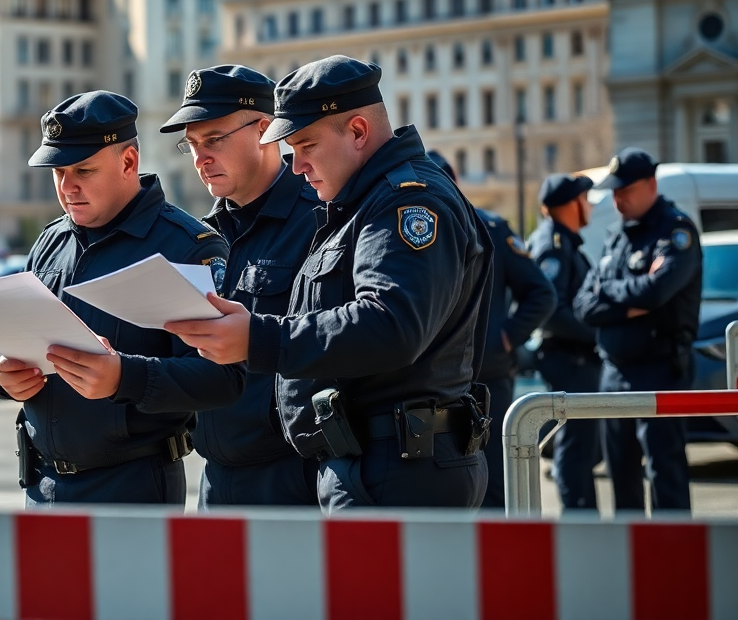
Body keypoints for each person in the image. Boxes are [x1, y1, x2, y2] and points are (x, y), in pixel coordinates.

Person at [167, 55, 494, 511]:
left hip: (399, 466)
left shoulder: (404, 203)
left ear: (358, 132)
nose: (296, 165)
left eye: (306, 146)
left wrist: (257, 337)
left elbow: (391, 323)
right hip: (370, 461)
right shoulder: (356, 206)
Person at [0, 90, 243, 506]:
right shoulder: (51, 240)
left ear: (128, 162)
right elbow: (5, 335)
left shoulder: (185, 247)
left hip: (132, 486)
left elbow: (222, 380)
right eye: (58, 172)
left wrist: (124, 376)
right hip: (41, 485)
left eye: (83, 171)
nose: (67, 187)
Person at [159, 64, 324, 507]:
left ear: (266, 130)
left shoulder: (319, 219)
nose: (200, 158)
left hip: (297, 476)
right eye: (192, 145)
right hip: (216, 475)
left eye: (214, 140)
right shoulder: (202, 237)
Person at [574, 148, 701, 512]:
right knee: (621, 473)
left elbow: (658, 291)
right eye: (614, 191)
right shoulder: (618, 238)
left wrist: (610, 293)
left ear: (650, 185)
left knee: (665, 472)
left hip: (660, 367)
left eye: (626, 190)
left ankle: (672, 561)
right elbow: (585, 305)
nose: (618, 199)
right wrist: (630, 301)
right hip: (615, 371)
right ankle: (629, 563)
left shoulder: (675, 230)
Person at [426, 150, 554, 509]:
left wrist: (505, 337)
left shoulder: (491, 229)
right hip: (432, 381)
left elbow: (541, 293)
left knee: (493, 481)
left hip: (486, 377)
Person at [528, 172, 602, 511]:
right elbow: (550, 310)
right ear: (572, 205)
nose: (588, 206)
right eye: (584, 199)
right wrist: (596, 336)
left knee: (584, 450)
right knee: (575, 452)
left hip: (576, 360)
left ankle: (583, 522)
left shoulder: (563, 241)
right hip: (570, 360)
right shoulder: (553, 246)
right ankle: (580, 528)